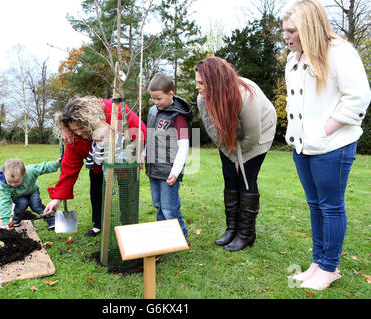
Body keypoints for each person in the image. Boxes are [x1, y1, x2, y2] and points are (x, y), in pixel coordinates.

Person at [282, 0, 370, 290]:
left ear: (309, 28)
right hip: (302, 148)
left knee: (331, 207)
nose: (286, 36)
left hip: (333, 145)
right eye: (284, 30)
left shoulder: (340, 52)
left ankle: (330, 267)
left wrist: (325, 129)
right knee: (314, 205)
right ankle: (317, 263)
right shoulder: (293, 59)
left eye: (292, 30)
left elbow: (358, 97)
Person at [195, 57, 277, 252]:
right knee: (230, 176)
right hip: (228, 138)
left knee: (246, 178)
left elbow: (251, 138)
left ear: (214, 82)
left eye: (201, 83)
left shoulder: (246, 96)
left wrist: (240, 159)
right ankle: (232, 229)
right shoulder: (203, 99)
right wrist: (231, 157)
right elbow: (215, 133)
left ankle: (246, 234)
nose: (197, 87)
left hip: (259, 133)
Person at [44, 97, 146, 237]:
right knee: (96, 191)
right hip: (98, 165)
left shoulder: (114, 110)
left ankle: (127, 223)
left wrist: (140, 152)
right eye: (74, 130)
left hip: (123, 161)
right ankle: (98, 224)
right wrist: (58, 198)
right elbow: (69, 167)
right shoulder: (74, 137)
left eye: (81, 128)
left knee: (127, 192)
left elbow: (139, 128)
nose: (78, 132)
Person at [143, 73, 193, 240]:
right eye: (153, 99)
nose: (156, 103)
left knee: (169, 208)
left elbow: (184, 146)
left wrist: (176, 171)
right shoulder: (152, 111)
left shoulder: (179, 116)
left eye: (159, 99)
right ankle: (164, 237)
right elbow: (149, 137)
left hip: (169, 171)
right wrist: (144, 154)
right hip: (153, 169)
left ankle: (181, 238)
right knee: (158, 205)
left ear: (170, 94)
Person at [0, 158, 60, 230]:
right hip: (18, 196)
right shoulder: (4, 185)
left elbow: (43, 167)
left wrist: (56, 164)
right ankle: (16, 219)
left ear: (24, 174)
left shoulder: (31, 171)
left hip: (32, 191)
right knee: (22, 204)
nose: (13, 185)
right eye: (10, 182)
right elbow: (5, 201)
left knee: (36, 205)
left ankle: (51, 219)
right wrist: (5, 222)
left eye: (17, 182)